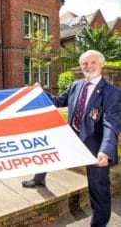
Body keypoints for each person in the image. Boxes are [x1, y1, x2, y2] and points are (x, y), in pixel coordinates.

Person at [22, 50, 121, 226]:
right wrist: (40, 92)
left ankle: (99, 223)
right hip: (72, 134)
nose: (88, 66)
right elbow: (58, 102)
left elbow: (111, 124)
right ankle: (39, 178)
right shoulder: (76, 85)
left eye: (92, 62)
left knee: (99, 188)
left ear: (102, 64)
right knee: (48, 149)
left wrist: (105, 151)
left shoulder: (112, 92)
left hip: (95, 145)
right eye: (84, 63)